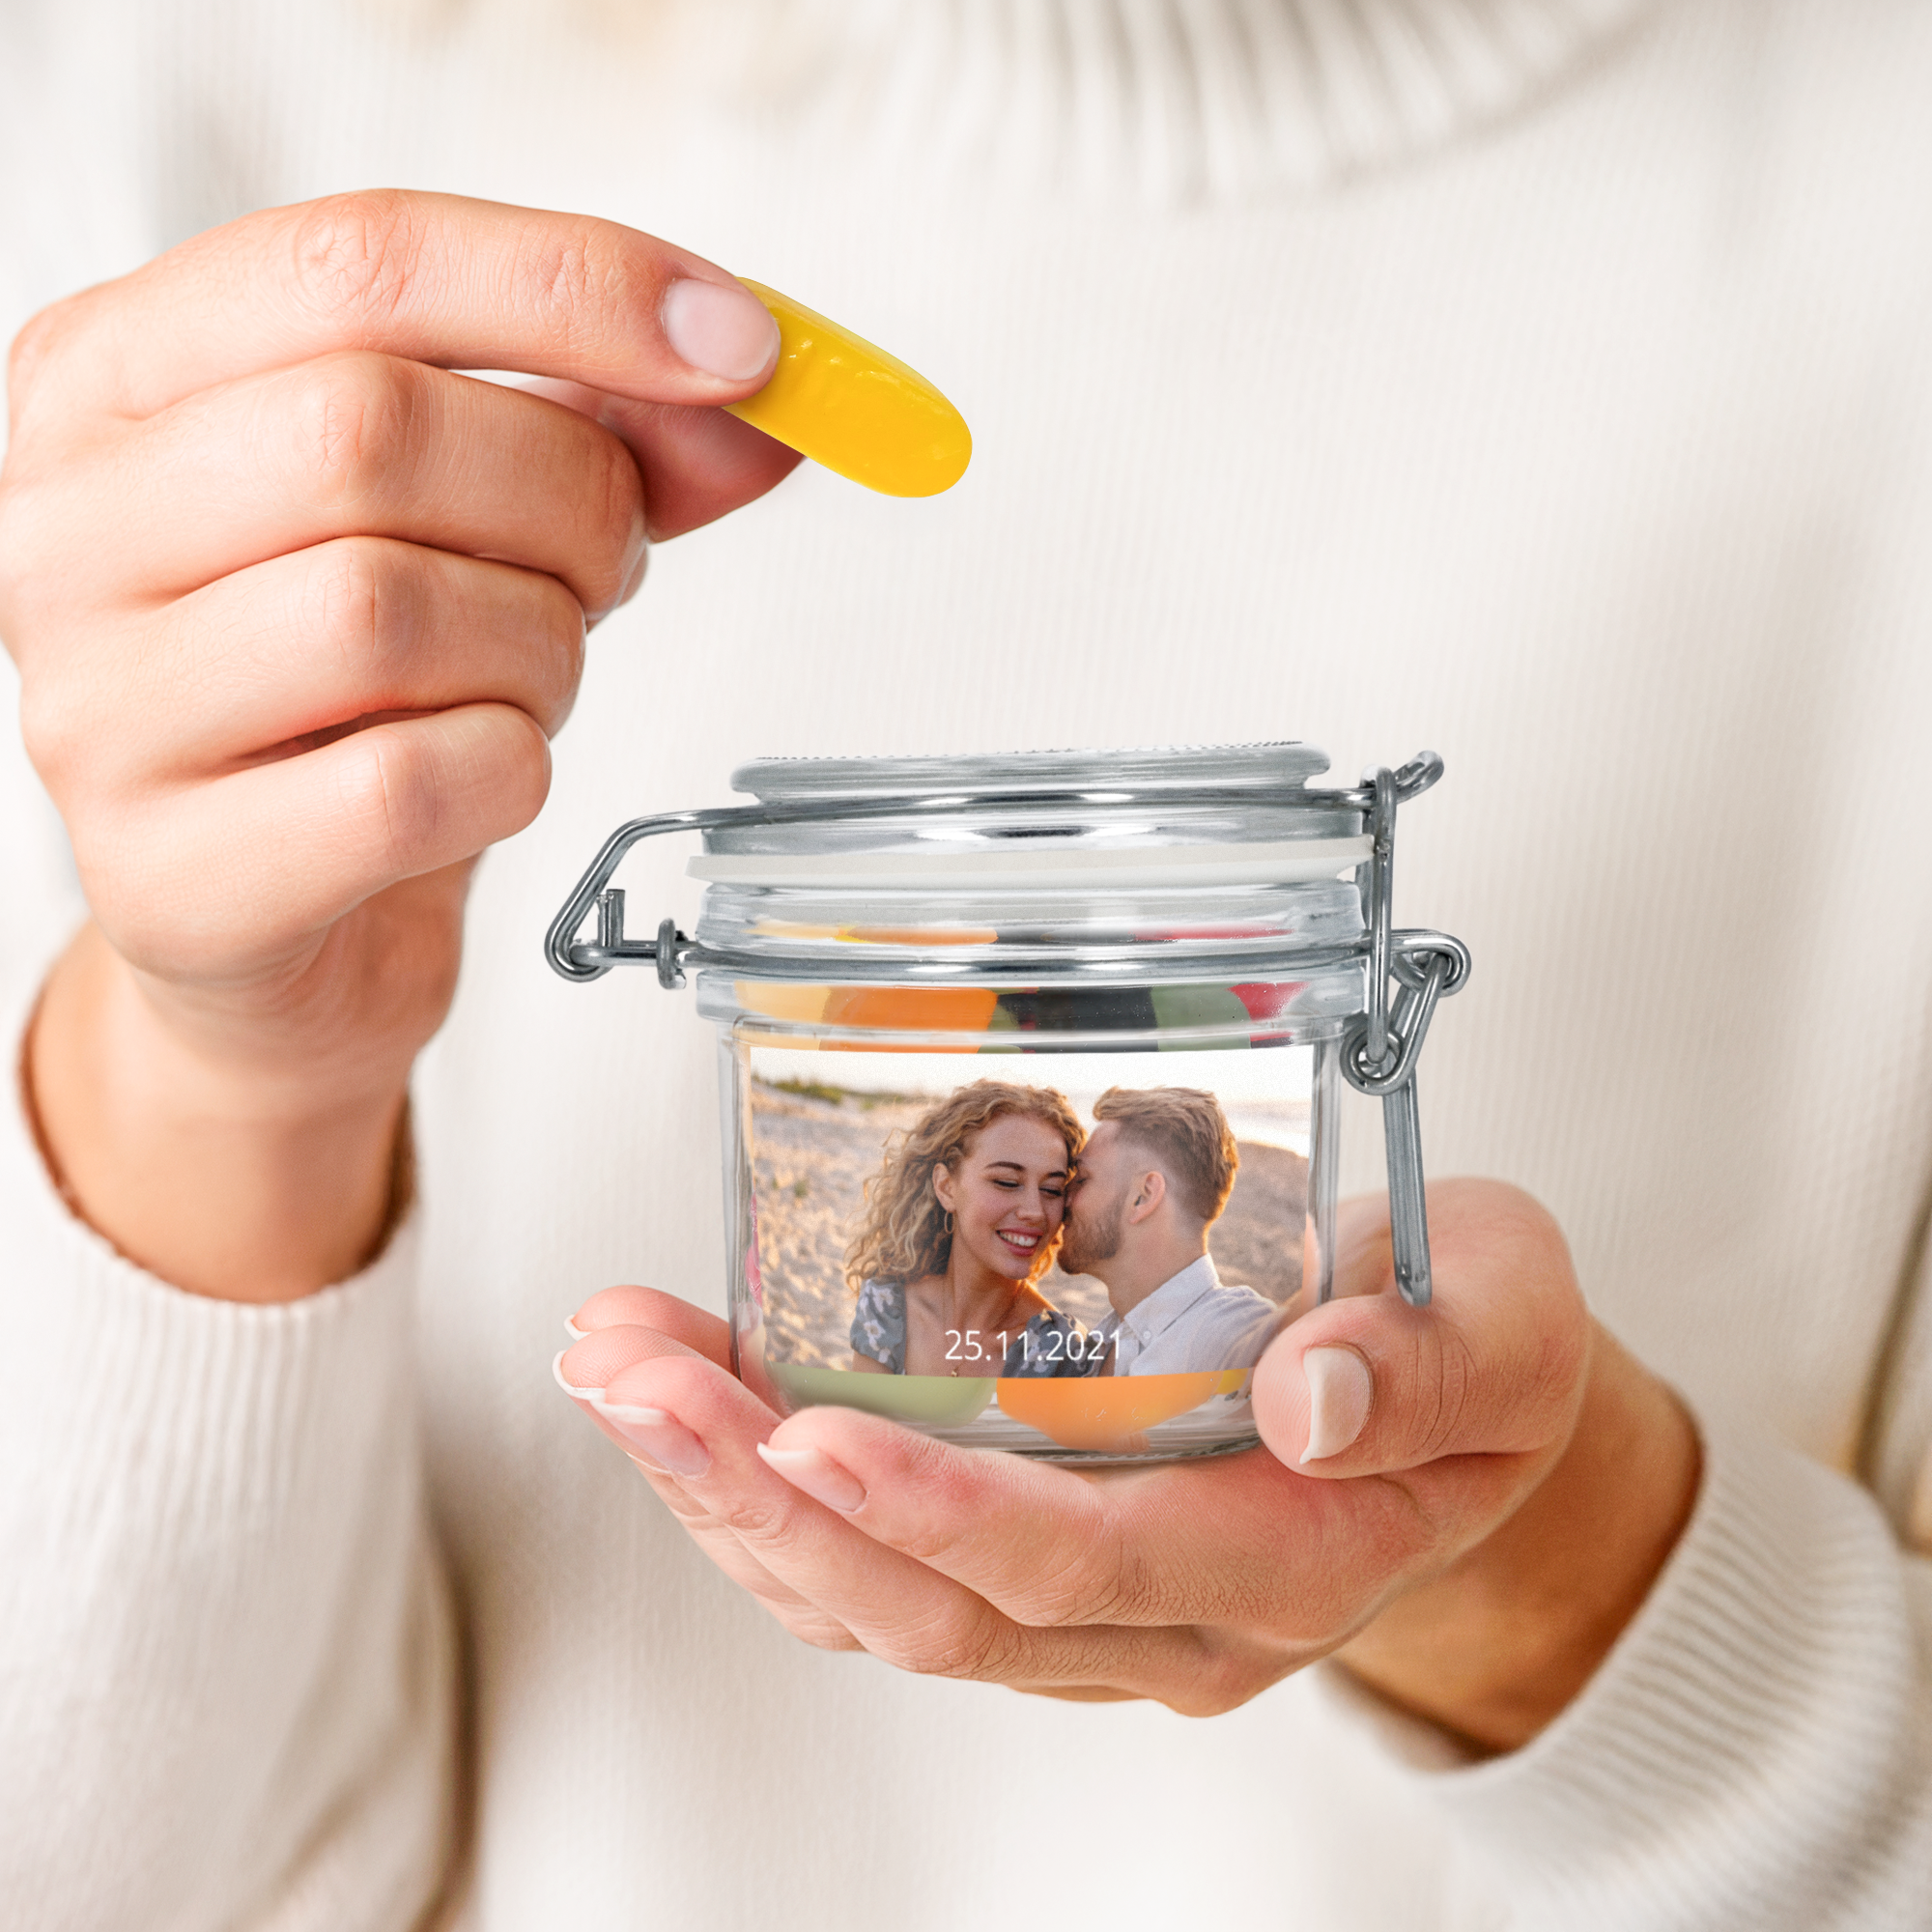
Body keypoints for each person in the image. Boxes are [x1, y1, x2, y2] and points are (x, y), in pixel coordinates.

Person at [3, 6, 1931, 1929]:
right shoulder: (189, 115)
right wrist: (226, 1072)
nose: (1049, 1198)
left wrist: (1552, 1582)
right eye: (1026, 1173)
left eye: (1072, 1178)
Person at [843, 1080, 1093, 1378]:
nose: (1034, 1211)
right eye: (1007, 1182)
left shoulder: (1062, 1350)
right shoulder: (888, 1309)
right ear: (946, 1188)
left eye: (1052, 1189)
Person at [1056, 1085, 1281, 1378]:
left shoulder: (1234, 1332)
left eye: (1082, 1179)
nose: (1063, 1196)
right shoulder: (1103, 1341)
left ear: (1143, 1196)